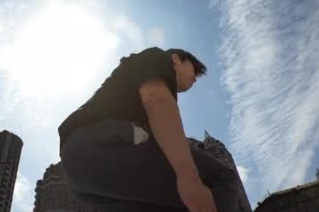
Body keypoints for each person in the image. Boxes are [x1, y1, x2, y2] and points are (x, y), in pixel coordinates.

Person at [58, 47, 240, 212]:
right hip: (102, 140)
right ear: (176, 58)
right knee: (220, 178)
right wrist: (188, 176)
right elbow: (155, 98)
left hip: (81, 179)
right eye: (194, 71)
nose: (195, 79)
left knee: (182, 205)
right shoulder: (157, 57)